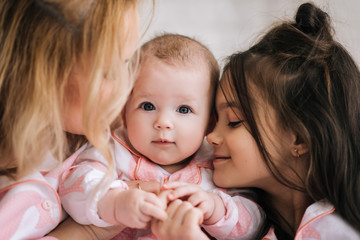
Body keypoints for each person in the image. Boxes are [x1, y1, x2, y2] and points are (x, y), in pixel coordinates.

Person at [152, 2, 360, 240]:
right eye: (214, 120)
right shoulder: (225, 214)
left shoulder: (341, 228)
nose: (211, 136)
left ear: (300, 138)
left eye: (233, 121)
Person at [59, 33, 265, 240]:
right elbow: (73, 184)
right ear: (124, 112)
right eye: (147, 106)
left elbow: (255, 222)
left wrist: (215, 209)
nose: (163, 122)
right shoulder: (112, 149)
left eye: (184, 110)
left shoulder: (217, 163)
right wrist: (114, 202)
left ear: (209, 123)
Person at [0, 0, 140, 239]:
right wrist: (86, 232)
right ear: (42, 76)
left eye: (127, 62)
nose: (127, 86)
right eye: (107, 73)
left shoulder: (106, 131)